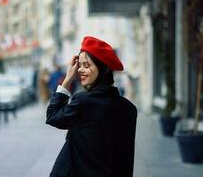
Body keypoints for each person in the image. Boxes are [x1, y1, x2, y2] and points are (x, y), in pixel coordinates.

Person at [46, 36, 137, 177]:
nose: (80, 70)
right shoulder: (129, 109)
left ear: (104, 69)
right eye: (79, 65)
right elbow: (126, 159)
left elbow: (52, 116)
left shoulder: (83, 101)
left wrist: (68, 78)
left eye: (86, 65)